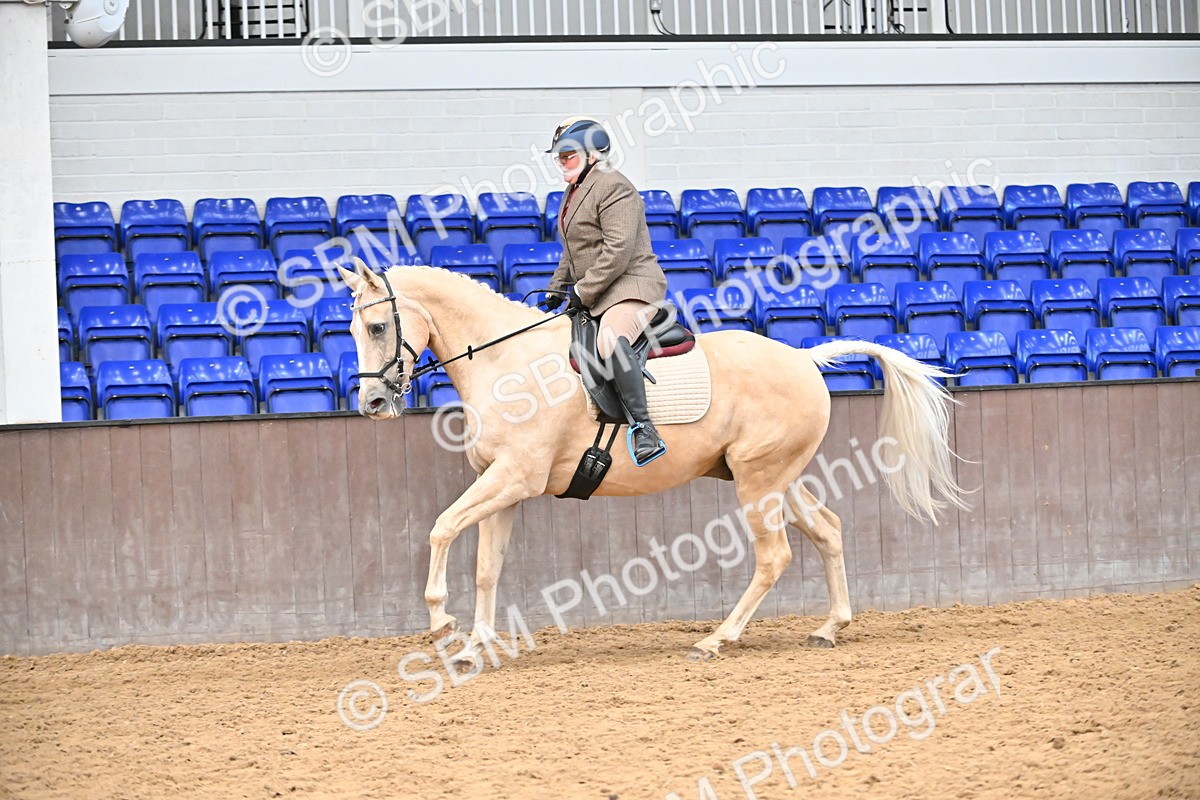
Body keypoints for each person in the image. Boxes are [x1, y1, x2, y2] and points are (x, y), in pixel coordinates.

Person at [541, 117, 668, 467]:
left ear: (592, 154)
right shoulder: (574, 191)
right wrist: (555, 289)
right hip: (600, 289)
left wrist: (583, 290)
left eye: (567, 155)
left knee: (610, 340)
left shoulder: (615, 186)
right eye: (559, 156)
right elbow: (572, 251)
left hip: (631, 285)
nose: (561, 162)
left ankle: (644, 429)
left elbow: (618, 250)